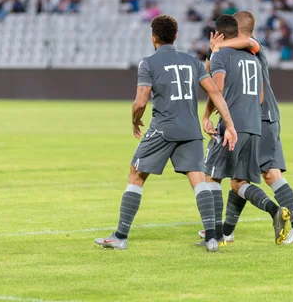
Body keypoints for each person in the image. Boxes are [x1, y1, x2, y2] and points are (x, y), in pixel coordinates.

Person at [94, 15, 238, 252]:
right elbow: (214, 92)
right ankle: (212, 238)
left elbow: (140, 102)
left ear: (154, 38)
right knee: (198, 180)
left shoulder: (148, 63)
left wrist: (135, 120)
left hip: (163, 128)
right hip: (190, 130)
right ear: (176, 37)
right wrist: (229, 124)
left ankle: (120, 236)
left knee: (136, 174)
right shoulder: (192, 61)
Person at [197, 11, 293, 244]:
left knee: (267, 173)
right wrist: (214, 49)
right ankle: (226, 231)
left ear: (236, 31)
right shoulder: (243, 55)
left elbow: (242, 47)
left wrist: (219, 48)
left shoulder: (253, 46)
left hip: (261, 117)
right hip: (257, 117)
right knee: (240, 178)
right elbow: (211, 64)